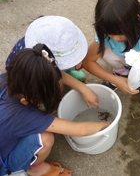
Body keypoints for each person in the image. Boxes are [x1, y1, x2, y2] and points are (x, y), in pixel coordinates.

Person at [0, 44, 111, 176]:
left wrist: (83, 88)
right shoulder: (25, 116)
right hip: (5, 163)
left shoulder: (11, 79)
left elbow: (59, 75)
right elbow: (81, 130)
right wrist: (106, 124)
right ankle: (33, 169)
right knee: (46, 139)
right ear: (25, 100)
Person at [5, 16, 99, 109]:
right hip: (32, 79)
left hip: (46, 68)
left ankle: (65, 74)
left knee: (77, 65)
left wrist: (83, 88)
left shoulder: (45, 42)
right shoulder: (32, 66)